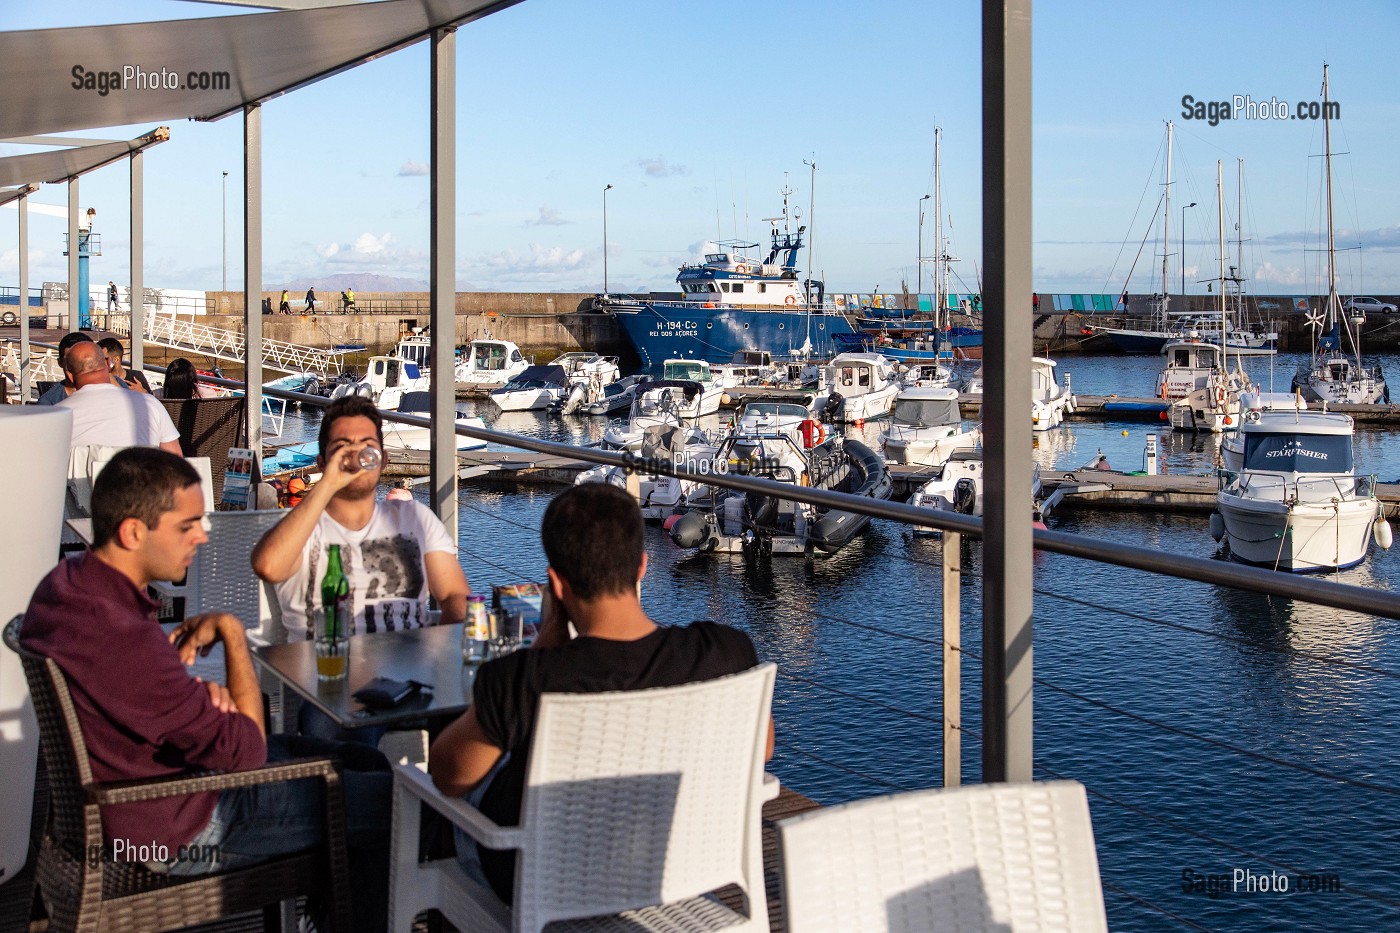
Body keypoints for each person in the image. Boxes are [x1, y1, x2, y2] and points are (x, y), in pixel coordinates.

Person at [19, 448, 391, 933]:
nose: (203, 533)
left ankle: (330, 911)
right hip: (179, 829)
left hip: (136, 800)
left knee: (367, 763)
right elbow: (248, 752)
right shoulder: (122, 636)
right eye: (187, 524)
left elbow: (140, 696)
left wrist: (192, 698)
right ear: (133, 532)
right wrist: (232, 634)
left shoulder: (66, 586)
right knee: (396, 805)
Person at [427, 483, 770, 905]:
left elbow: (448, 778)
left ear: (556, 583)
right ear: (642, 567)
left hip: (542, 885)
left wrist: (548, 639)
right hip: (673, 865)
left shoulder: (523, 679)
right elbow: (763, 747)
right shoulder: (724, 652)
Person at [251, 395, 471, 739]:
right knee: (343, 728)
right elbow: (267, 566)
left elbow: (455, 595)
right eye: (342, 448)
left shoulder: (413, 518)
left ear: (382, 459)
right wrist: (328, 483)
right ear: (323, 461)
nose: (355, 457)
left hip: (411, 678)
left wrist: (446, 658)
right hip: (329, 682)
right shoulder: (301, 528)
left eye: (367, 447)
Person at [57, 341, 182, 453]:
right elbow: (176, 461)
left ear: (69, 375)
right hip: (141, 477)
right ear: (107, 364)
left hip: (85, 479)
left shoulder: (59, 415)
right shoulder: (149, 404)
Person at [37, 331, 98, 405]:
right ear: (60, 362)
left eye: (84, 360)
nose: (77, 365)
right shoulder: (49, 403)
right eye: (70, 360)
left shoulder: (111, 389)